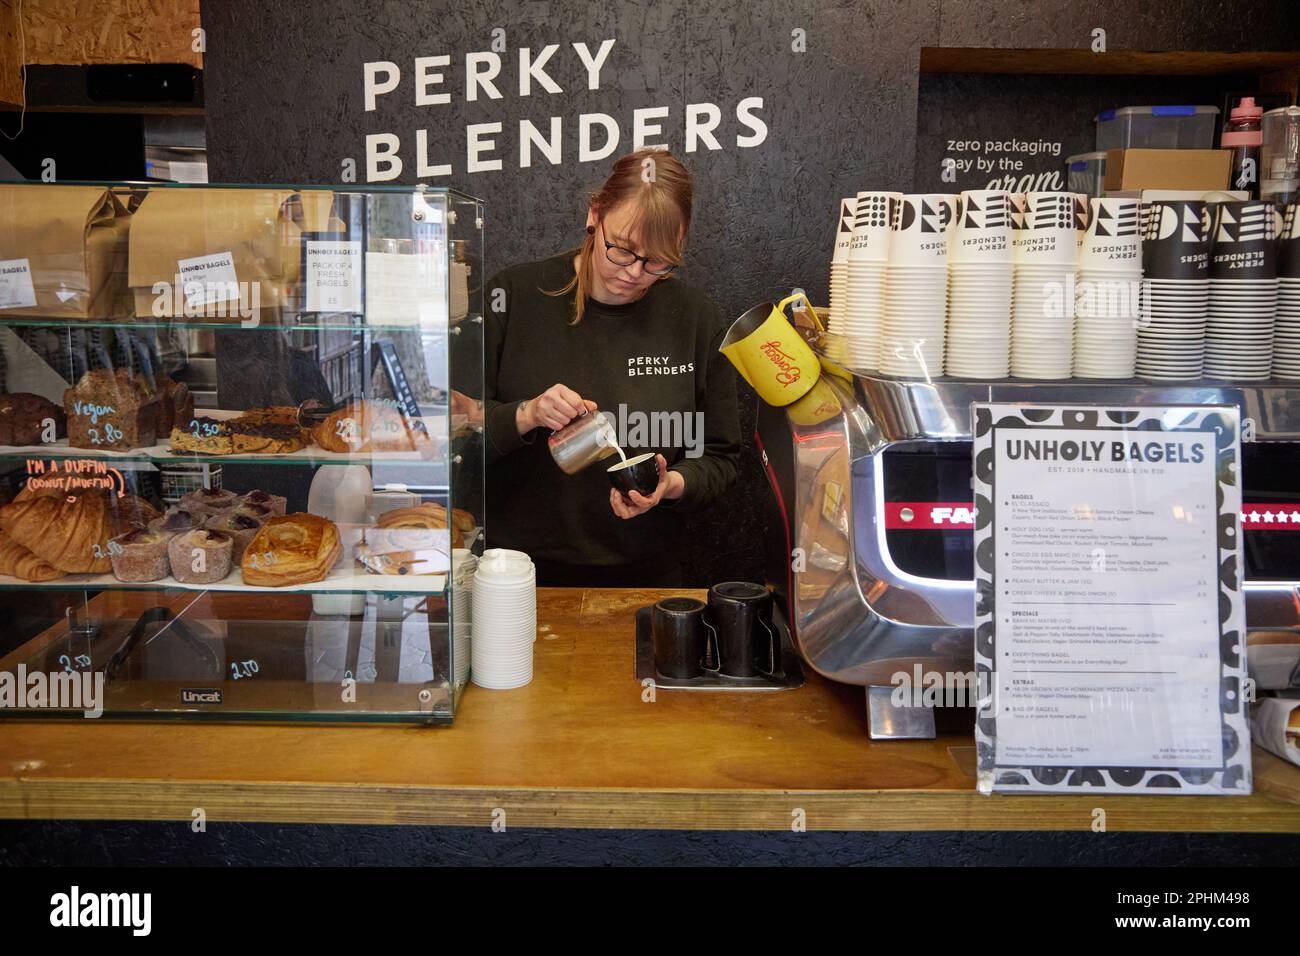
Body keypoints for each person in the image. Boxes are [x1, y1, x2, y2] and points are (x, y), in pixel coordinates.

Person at [484, 148, 740, 587]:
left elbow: (721, 458)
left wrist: (670, 484)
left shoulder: (695, 318)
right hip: (516, 575)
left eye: (657, 261)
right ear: (594, 214)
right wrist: (525, 415)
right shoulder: (514, 296)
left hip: (646, 577)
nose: (634, 273)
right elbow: (456, 433)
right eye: (621, 249)